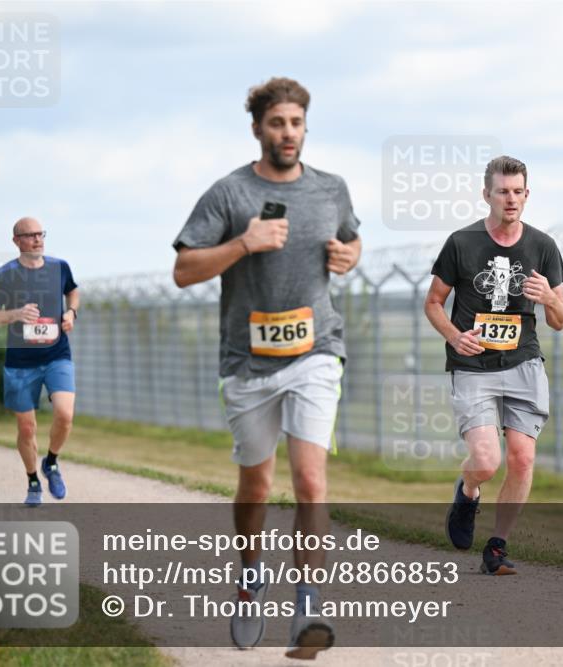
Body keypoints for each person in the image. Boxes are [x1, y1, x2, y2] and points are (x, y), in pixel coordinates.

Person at [171, 77, 361, 659]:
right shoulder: (229, 194)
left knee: (310, 480)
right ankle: (251, 578)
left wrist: (349, 256)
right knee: (256, 484)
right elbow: (183, 271)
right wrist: (243, 244)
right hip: (247, 362)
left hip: (316, 351)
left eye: (296, 123)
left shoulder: (331, 189)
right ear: (258, 128)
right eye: (277, 123)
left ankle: (308, 607)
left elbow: (351, 241)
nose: (288, 133)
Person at [424, 156, 563, 575]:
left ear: (527, 194)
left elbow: (560, 320)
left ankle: (498, 547)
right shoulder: (461, 243)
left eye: (518, 191)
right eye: (503, 191)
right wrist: (455, 336)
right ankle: (468, 492)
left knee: (522, 458)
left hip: (523, 362)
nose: (511, 199)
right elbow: (433, 302)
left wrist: (550, 299)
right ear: (486, 194)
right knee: (487, 461)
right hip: (473, 365)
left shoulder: (543, 246)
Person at [0, 217, 79, 507]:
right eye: (30, 235)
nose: (37, 239)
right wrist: (15, 314)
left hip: (56, 354)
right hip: (20, 361)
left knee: (65, 414)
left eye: (41, 234)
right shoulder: (5, 275)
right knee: (26, 428)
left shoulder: (59, 267)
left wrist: (71, 313)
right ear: (16, 241)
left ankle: (51, 462)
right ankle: (33, 480)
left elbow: (72, 291)